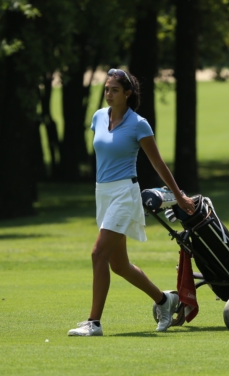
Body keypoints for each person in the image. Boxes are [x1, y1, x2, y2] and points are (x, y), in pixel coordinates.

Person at [68, 68, 196, 336]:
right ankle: (164, 300)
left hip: (125, 194)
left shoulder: (139, 124)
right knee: (119, 265)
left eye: (114, 90)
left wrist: (179, 196)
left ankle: (94, 323)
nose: (109, 94)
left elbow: (157, 163)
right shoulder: (98, 118)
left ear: (127, 94)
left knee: (97, 254)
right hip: (103, 194)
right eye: (106, 89)